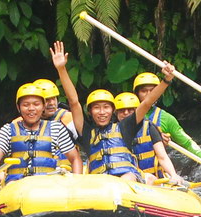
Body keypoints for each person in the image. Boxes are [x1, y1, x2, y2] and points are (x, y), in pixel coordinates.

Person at [50, 41, 173, 181]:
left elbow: (146, 103)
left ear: (113, 110)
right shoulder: (86, 132)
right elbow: (73, 102)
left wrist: (166, 80)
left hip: (128, 179)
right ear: (90, 111)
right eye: (96, 107)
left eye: (106, 107)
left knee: (127, 178)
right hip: (101, 183)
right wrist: (61, 69)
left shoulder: (125, 127)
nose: (102, 112)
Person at [0, 82, 82, 188]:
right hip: (16, 184)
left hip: (48, 184)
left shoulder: (56, 128)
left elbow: (75, 158)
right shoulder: (8, 130)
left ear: (43, 106)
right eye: (25, 105)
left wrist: (76, 183)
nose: (31, 109)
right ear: (18, 107)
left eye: (36, 104)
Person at [132, 72, 201, 175]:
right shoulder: (125, 115)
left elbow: (188, 143)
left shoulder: (166, 118)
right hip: (130, 172)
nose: (149, 94)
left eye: (153, 90)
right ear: (137, 94)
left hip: (154, 175)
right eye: (143, 91)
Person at [113, 92, 184, 186]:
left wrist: (173, 174)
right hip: (127, 178)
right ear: (116, 113)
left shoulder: (149, 127)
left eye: (130, 110)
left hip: (152, 178)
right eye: (122, 110)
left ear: (137, 110)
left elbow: (162, 157)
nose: (126, 113)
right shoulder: (111, 131)